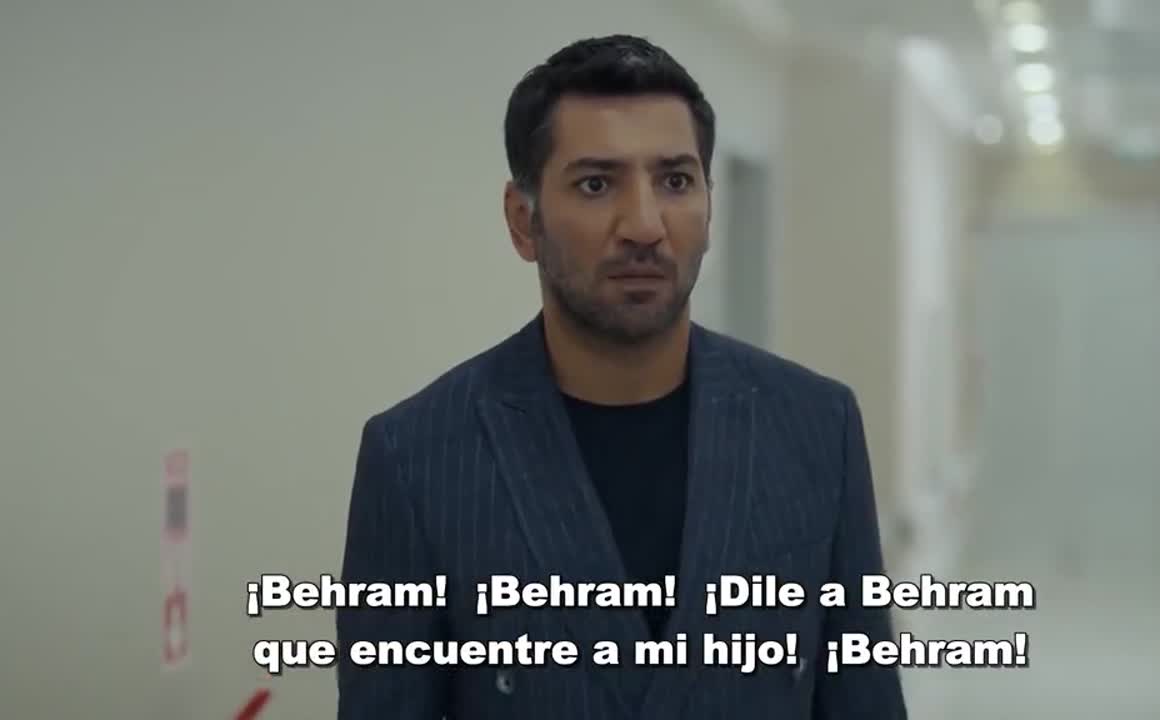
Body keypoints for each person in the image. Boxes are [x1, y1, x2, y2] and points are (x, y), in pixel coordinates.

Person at [336, 34, 907, 719]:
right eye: (596, 184)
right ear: (524, 221)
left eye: (675, 181)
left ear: (709, 206)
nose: (643, 225)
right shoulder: (418, 459)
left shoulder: (816, 428)